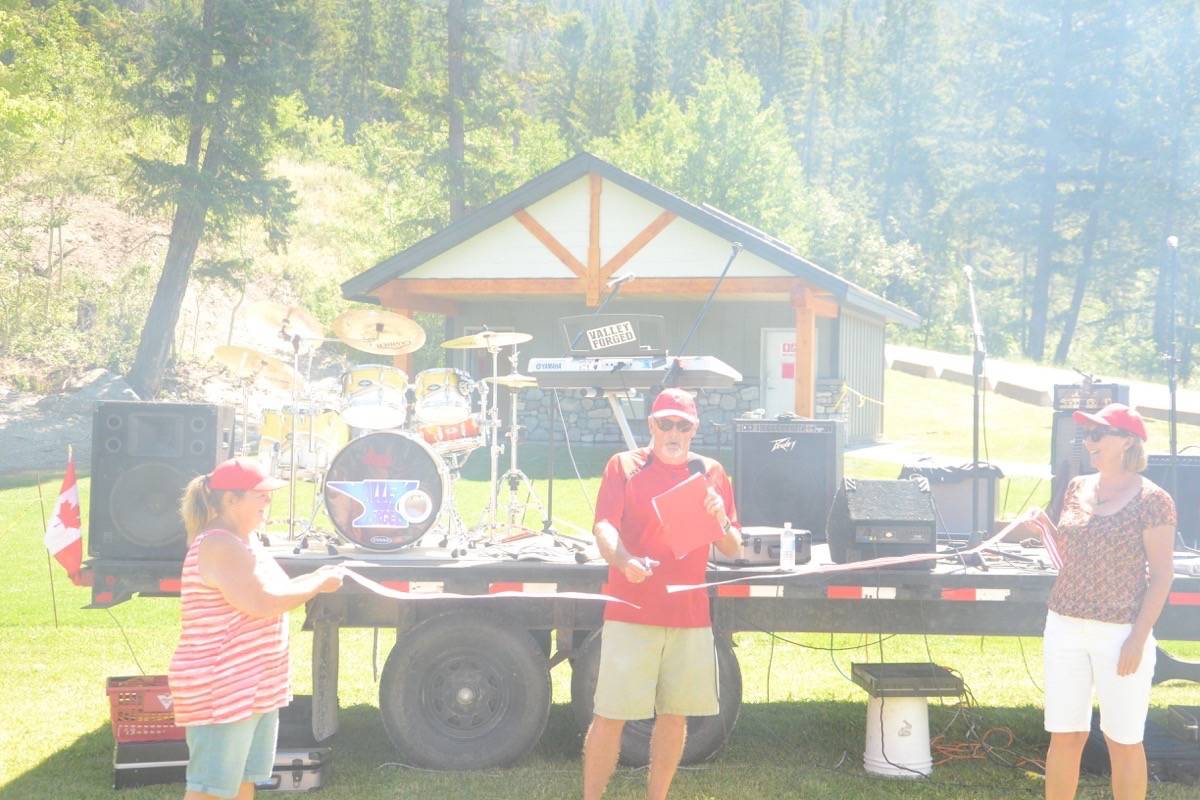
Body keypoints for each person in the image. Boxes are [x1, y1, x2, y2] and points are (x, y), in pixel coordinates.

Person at [582, 388, 742, 800]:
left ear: (694, 430)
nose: (673, 431)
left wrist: (720, 519)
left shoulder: (711, 472)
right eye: (665, 423)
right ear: (651, 425)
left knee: (675, 716)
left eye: (682, 424)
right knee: (610, 716)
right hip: (630, 612)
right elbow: (603, 526)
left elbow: (733, 547)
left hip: (689, 616)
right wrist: (624, 560)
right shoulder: (624, 465)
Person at [169, 458, 344, 800]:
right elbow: (262, 601)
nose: (268, 501)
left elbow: (276, 589)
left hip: (252, 685)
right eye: (259, 494)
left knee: (242, 784)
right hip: (223, 687)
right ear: (231, 500)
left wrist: (317, 577)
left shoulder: (246, 541)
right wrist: (318, 585)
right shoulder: (220, 544)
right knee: (210, 790)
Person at [1024, 404, 1176, 800]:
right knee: (1065, 733)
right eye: (1086, 434)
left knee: (1122, 739)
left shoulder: (1153, 500)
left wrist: (1137, 639)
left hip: (1121, 633)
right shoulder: (1076, 486)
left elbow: (1162, 577)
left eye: (1097, 434)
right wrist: (1043, 528)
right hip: (1064, 627)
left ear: (1128, 440)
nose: (1087, 442)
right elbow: (1069, 554)